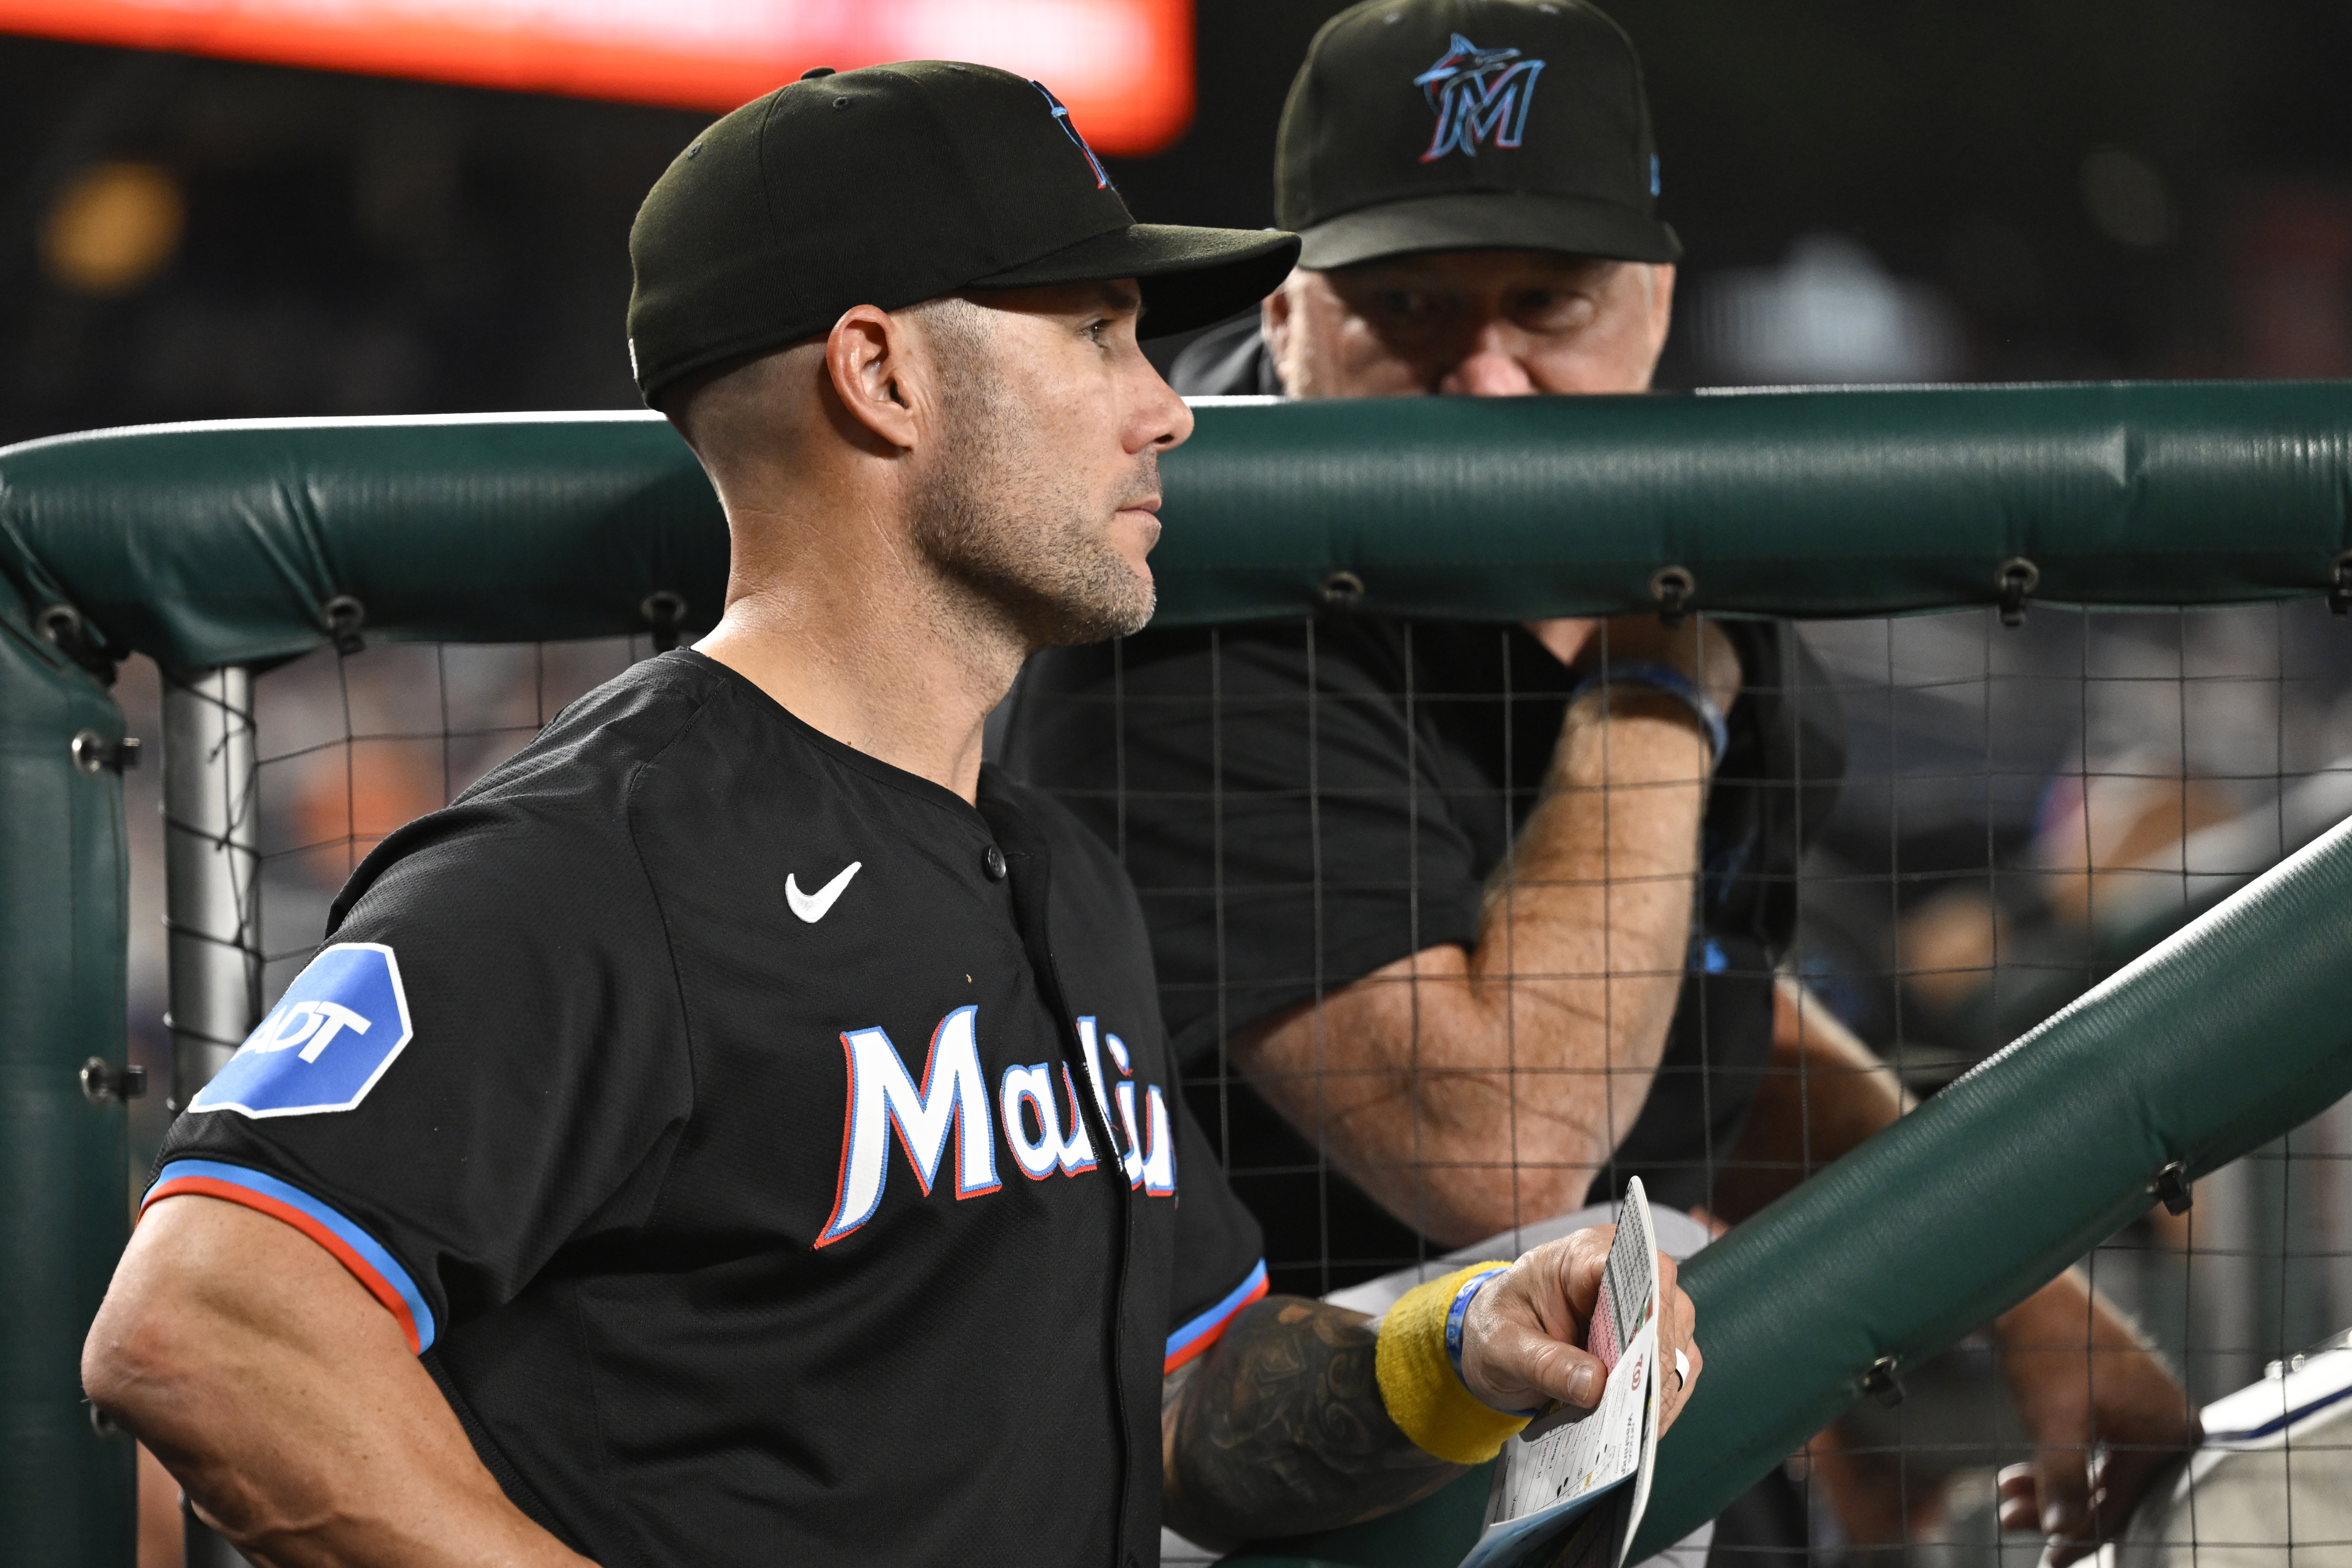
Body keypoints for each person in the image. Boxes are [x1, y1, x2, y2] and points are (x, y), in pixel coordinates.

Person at [79, 61, 1703, 1568]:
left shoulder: (1057, 869)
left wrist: (1469, 1336)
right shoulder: (600, 852)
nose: (1166, 408)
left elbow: (1192, 1403)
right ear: (881, 374)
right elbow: (205, 1319)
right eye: (1097, 331)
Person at [1002, 0, 2193, 1558]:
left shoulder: (1679, 531)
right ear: (1289, 314)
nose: (1488, 380)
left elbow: (1709, 999)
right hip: (1260, 1489)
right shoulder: (1179, 600)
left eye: (1546, 305)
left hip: (1624, 1449)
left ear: (1650, 303)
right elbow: (1493, 1144)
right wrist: (1654, 683)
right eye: (1409, 305)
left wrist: (2023, 1292)